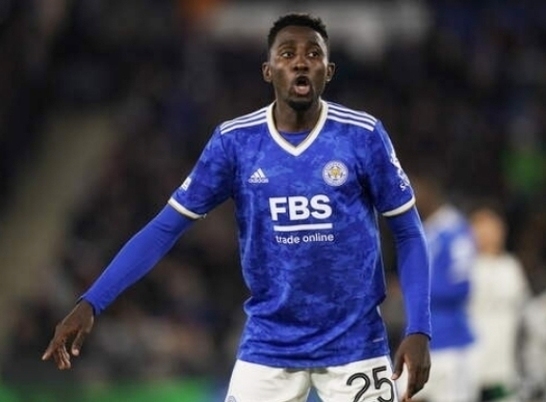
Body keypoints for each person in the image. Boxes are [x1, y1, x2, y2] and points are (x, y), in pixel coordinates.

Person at [42, 13, 432, 402]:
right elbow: (164, 229)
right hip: (269, 347)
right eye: (287, 53)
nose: (300, 61)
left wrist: (419, 329)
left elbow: (409, 232)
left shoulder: (362, 136)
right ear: (268, 70)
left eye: (313, 54)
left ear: (328, 71)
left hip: (356, 346)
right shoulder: (235, 143)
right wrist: (91, 301)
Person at [396, 166, 478, 402]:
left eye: (414, 189)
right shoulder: (423, 229)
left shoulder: (455, 230)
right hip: (419, 342)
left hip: (451, 344)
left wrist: (413, 289)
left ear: (430, 190)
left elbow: (461, 287)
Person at [469, 205, 531, 402]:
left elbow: (525, 317)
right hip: (469, 366)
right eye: (480, 229)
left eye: (492, 229)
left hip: (505, 367)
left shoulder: (511, 267)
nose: (486, 235)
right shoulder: (465, 270)